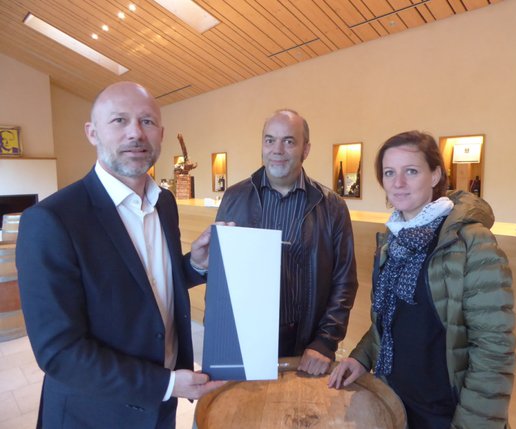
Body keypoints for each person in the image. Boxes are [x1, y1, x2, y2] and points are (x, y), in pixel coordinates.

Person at [16, 81, 227, 429]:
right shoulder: (52, 220)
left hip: (159, 412)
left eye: (146, 122)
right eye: (119, 120)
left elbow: (147, 286)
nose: (136, 133)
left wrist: (195, 265)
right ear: (92, 132)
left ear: (160, 133)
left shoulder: (165, 204)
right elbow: (59, 352)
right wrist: (168, 384)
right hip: (95, 415)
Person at [328, 131, 516, 428]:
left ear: (435, 175)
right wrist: (361, 358)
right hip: (396, 401)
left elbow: (494, 352)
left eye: (411, 171)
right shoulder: (393, 239)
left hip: (446, 414)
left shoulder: (473, 244)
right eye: (389, 173)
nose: (398, 183)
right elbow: (392, 320)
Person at [215, 109, 358, 376]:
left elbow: (344, 281)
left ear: (306, 149)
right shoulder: (234, 197)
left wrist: (326, 341)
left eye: (289, 141)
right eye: (270, 140)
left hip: (305, 343)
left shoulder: (332, 206)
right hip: (247, 338)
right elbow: (222, 276)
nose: (277, 150)